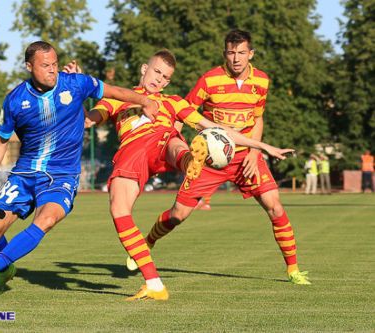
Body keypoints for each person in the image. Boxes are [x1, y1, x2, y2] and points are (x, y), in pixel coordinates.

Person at [85, 49, 294, 300]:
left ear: (168, 82)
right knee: (119, 210)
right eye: (156, 72)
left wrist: (261, 146)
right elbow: (89, 120)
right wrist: (71, 90)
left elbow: (216, 128)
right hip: (133, 152)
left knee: (174, 140)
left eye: (165, 77)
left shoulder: (172, 101)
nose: (159, 79)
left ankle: (190, 161)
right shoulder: (120, 97)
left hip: (162, 140)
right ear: (144, 69)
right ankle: (154, 285)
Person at [0, 41, 163, 296]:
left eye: (55, 64)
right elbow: (0, 141)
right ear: (29, 66)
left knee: (46, 218)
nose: (52, 70)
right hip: (25, 173)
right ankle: (6, 270)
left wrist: (144, 101)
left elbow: (113, 91)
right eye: (45, 65)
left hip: (62, 175)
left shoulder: (76, 83)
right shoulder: (15, 99)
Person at [127, 30, 311, 285]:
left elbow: (257, 118)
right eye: (231, 52)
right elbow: (183, 114)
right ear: (225, 53)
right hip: (210, 160)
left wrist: (255, 151)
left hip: (247, 157)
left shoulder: (262, 81)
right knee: (178, 215)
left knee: (275, 206)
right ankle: (149, 241)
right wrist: (170, 148)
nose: (236, 58)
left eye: (241, 53)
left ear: (251, 54)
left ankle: (293, 270)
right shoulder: (209, 80)